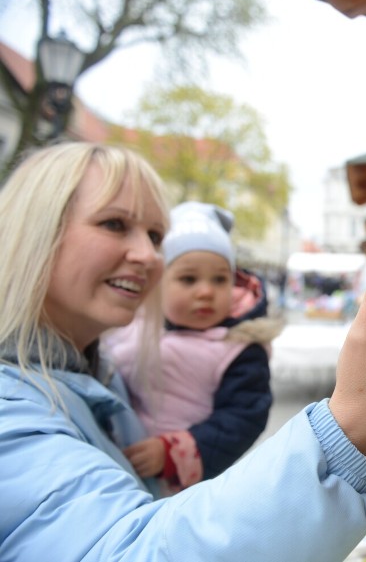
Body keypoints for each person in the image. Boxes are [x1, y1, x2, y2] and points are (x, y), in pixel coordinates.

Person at [0, 142, 366, 561]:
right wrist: (354, 420)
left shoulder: (91, 375)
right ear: (34, 230)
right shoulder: (13, 411)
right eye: (114, 224)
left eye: (155, 235)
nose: (150, 254)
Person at [103, 201, 282, 494]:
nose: (206, 291)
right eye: (188, 279)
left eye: (220, 279)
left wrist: (173, 453)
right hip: (118, 473)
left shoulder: (238, 348)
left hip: (187, 488)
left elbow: (243, 418)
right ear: (157, 283)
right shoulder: (128, 326)